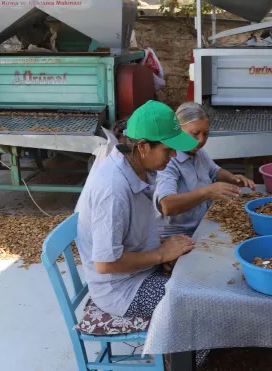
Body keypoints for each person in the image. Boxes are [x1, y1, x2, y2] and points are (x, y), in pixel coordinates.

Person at [76, 100, 199, 321]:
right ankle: (182, 355)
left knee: (200, 274)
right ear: (143, 147)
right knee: (195, 303)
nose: (173, 156)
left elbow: (135, 230)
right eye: (167, 149)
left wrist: (161, 254)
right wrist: (160, 254)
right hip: (121, 289)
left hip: (140, 270)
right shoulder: (113, 189)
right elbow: (105, 264)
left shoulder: (140, 168)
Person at [154, 102, 256, 238]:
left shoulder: (197, 152)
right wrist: (206, 192)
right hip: (176, 236)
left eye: (206, 134)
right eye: (195, 133)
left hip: (202, 224)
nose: (201, 140)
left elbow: (214, 171)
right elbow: (167, 205)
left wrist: (233, 178)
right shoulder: (167, 161)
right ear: (177, 129)